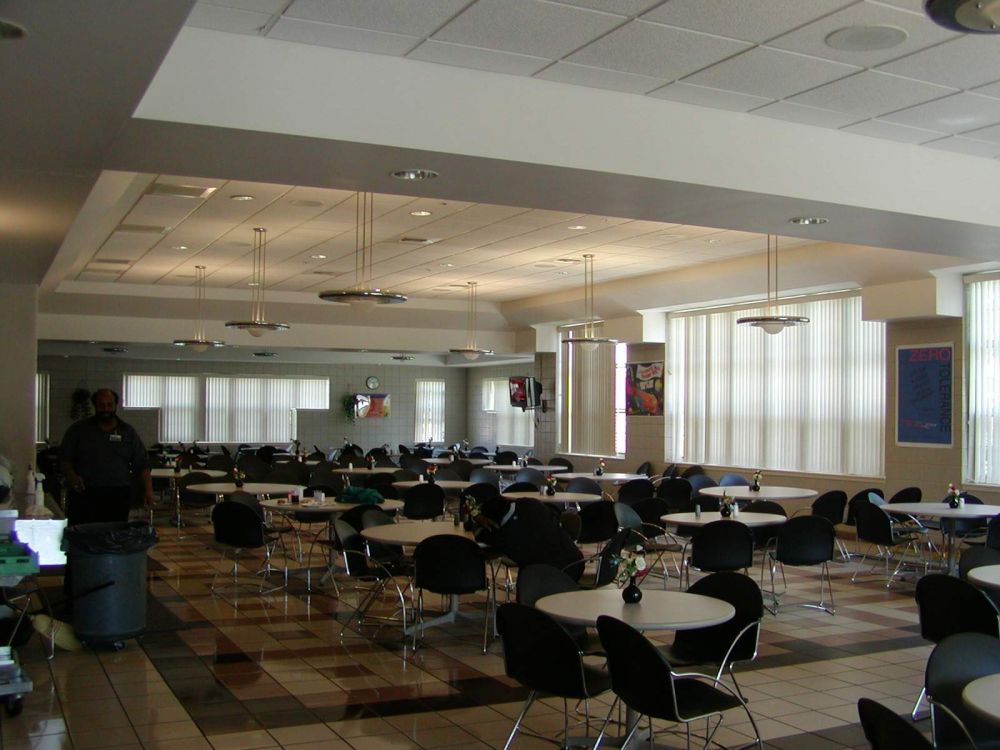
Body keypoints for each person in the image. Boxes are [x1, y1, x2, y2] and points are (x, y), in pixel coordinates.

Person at [59, 388, 154, 526]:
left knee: (114, 537)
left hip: (118, 494)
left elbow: (142, 463)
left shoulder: (127, 432)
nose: (106, 409)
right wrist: (71, 476)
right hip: (85, 494)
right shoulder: (78, 431)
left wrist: (148, 490)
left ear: (116, 406)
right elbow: (64, 460)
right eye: (101, 405)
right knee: (84, 537)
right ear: (95, 406)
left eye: (109, 405)